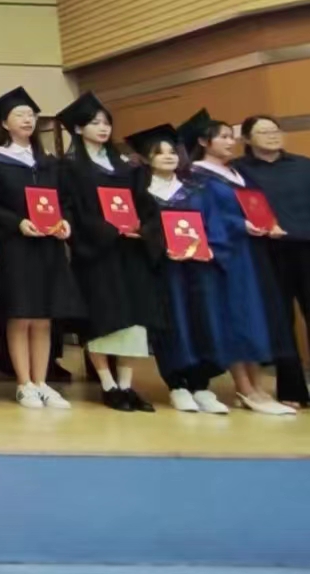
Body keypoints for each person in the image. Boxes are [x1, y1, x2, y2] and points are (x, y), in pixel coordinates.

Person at [0, 86, 83, 409]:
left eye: (31, 115)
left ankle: (42, 381)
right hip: (16, 247)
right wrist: (17, 223)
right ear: (4, 123)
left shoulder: (49, 163)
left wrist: (65, 222)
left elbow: (64, 201)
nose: (27, 120)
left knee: (44, 317)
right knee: (21, 314)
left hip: (48, 246)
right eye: (19, 115)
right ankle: (24, 383)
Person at [181, 111, 297, 415]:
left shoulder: (236, 173)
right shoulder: (196, 176)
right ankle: (244, 387)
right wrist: (239, 225)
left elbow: (253, 206)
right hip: (225, 253)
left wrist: (267, 223)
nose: (230, 142)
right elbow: (203, 216)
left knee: (252, 315)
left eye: (231, 137)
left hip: (250, 251)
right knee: (233, 317)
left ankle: (258, 387)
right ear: (204, 142)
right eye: (222, 137)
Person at [55, 93, 163, 412]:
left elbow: (146, 206)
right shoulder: (70, 168)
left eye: (106, 123)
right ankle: (107, 384)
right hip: (97, 253)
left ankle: (127, 385)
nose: (103, 128)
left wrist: (142, 228)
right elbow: (70, 208)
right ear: (78, 129)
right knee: (102, 318)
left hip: (130, 250)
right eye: (94, 123)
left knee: (133, 320)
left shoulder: (126, 168)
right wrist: (105, 230)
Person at [129, 125, 230, 414]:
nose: (168, 157)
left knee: (202, 321)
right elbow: (138, 229)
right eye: (159, 153)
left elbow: (214, 225)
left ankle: (202, 386)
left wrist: (211, 249)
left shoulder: (196, 190)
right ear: (147, 159)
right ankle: (177, 385)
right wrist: (158, 244)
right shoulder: (142, 194)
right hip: (165, 270)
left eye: (172, 152)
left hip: (199, 269)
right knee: (172, 324)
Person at [233, 115, 310, 407]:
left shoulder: (303, 165)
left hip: (306, 246)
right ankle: (292, 390)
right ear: (247, 139)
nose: (272, 135)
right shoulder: (238, 171)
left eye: (275, 130)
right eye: (263, 132)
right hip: (267, 251)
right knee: (279, 320)